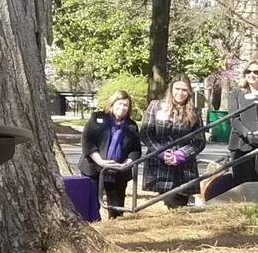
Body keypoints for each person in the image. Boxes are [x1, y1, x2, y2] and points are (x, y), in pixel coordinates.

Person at [140, 76, 205, 208]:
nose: (180, 93)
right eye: (177, 89)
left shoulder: (194, 112)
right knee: (169, 202)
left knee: (178, 204)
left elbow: (199, 141)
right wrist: (161, 152)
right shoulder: (156, 106)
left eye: (184, 90)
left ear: (189, 92)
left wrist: (181, 155)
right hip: (160, 164)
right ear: (171, 89)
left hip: (184, 167)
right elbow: (146, 133)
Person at [78, 90, 141, 219]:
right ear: (112, 104)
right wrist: (100, 161)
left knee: (116, 211)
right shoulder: (97, 118)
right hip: (93, 169)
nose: (122, 108)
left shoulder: (131, 125)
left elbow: (136, 150)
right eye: (119, 104)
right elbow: (87, 142)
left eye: (126, 105)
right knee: (92, 207)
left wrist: (126, 163)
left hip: (118, 172)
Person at [227, 60, 258, 185]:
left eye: (256, 72)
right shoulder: (237, 93)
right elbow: (233, 118)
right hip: (241, 144)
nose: (252, 74)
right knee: (243, 184)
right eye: (248, 71)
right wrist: (248, 134)